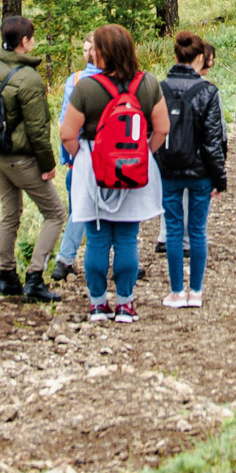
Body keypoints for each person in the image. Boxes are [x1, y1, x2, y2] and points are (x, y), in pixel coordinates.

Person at [61, 24, 169, 324]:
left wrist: (81, 155)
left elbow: (67, 132)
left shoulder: (86, 88)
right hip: (133, 168)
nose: (91, 51)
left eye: (95, 46)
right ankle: (126, 304)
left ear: (103, 51)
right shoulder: (147, 83)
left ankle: (97, 304)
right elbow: (162, 127)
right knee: (126, 238)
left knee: (96, 240)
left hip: (94, 168)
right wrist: (143, 152)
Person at [0, 15, 64, 304]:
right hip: (20, 157)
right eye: (32, 38)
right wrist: (48, 165)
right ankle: (35, 276)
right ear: (24, 42)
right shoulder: (29, 79)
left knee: (10, 212)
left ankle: (6, 276)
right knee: (55, 213)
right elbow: (38, 129)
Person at [155, 32, 227, 308]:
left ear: (176, 57)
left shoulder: (159, 89)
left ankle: (176, 291)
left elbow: (154, 130)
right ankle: (195, 291)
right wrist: (219, 177)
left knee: (174, 230)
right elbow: (213, 139)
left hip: (169, 169)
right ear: (200, 59)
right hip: (200, 172)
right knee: (197, 231)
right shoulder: (208, 92)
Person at [47, 35, 99, 283]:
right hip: (101, 152)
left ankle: (65, 260)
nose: (86, 53)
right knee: (111, 208)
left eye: (88, 49)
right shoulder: (113, 80)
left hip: (78, 154)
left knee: (79, 209)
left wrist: (69, 155)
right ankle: (110, 258)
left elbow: (64, 122)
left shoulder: (74, 80)